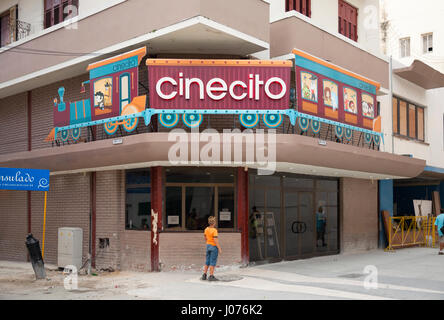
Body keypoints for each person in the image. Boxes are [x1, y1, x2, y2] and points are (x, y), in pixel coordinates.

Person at [201, 216, 222, 281]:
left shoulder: (206, 229)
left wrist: (208, 242)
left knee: (207, 260)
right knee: (213, 261)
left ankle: (204, 275)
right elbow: (215, 240)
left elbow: (205, 238)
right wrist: (219, 248)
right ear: (214, 223)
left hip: (208, 246)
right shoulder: (214, 230)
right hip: (213, 247)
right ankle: (211, 275)